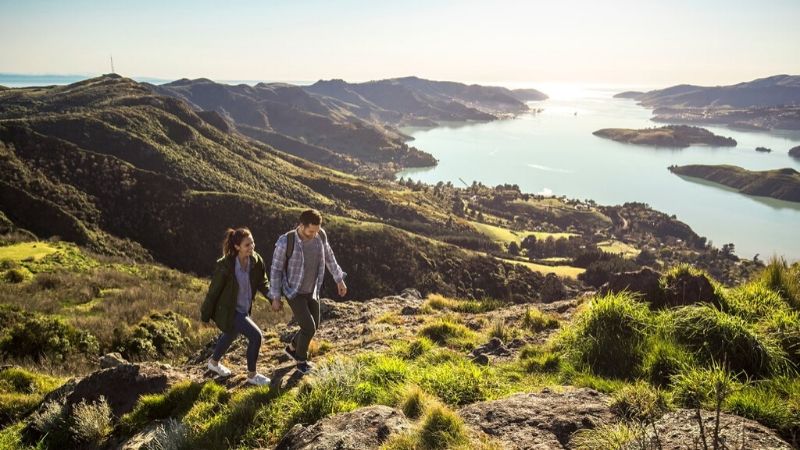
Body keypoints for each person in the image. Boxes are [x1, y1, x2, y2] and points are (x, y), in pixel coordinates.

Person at [269, 209, 347, 374]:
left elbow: (330, 257)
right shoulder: (286, 242)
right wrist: (275, 297)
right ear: (301, 225)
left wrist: (339, 279)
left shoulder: (320, 236)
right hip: (293, 291)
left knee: (314, 325)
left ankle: (292, 348)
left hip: (312, 289)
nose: (314, 234)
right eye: (311, 231)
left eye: (317, 231)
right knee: (308, 327)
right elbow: (275, 270)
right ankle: (301, 361)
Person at [201, 227, 271, 386]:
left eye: (252, 243)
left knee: (231, 334)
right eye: (247, 245)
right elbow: (213, 292)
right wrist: (205, 315)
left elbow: (262, 282)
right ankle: (252, 375)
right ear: (237, 247)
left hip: (244, 308)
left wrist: (272, 297)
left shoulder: (256, 260)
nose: (252, 247)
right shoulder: (226, 266)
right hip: (230, 310)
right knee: (256, 336)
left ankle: (213, 362)